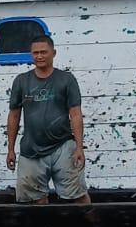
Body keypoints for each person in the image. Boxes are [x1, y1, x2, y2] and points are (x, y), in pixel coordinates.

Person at [5, 34, 90, 205]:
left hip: (63, 145)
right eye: (35, 53)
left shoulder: (66, 79)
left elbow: (75, 114)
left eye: (43, 52)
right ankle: (45, 224)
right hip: (31, 149)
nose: (39, 56)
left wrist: (79, 147)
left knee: (78, 196)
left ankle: (90, 222)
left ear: (54, 53)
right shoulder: (21, 81)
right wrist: (10, 149)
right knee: (36, 200)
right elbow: (14, 115)